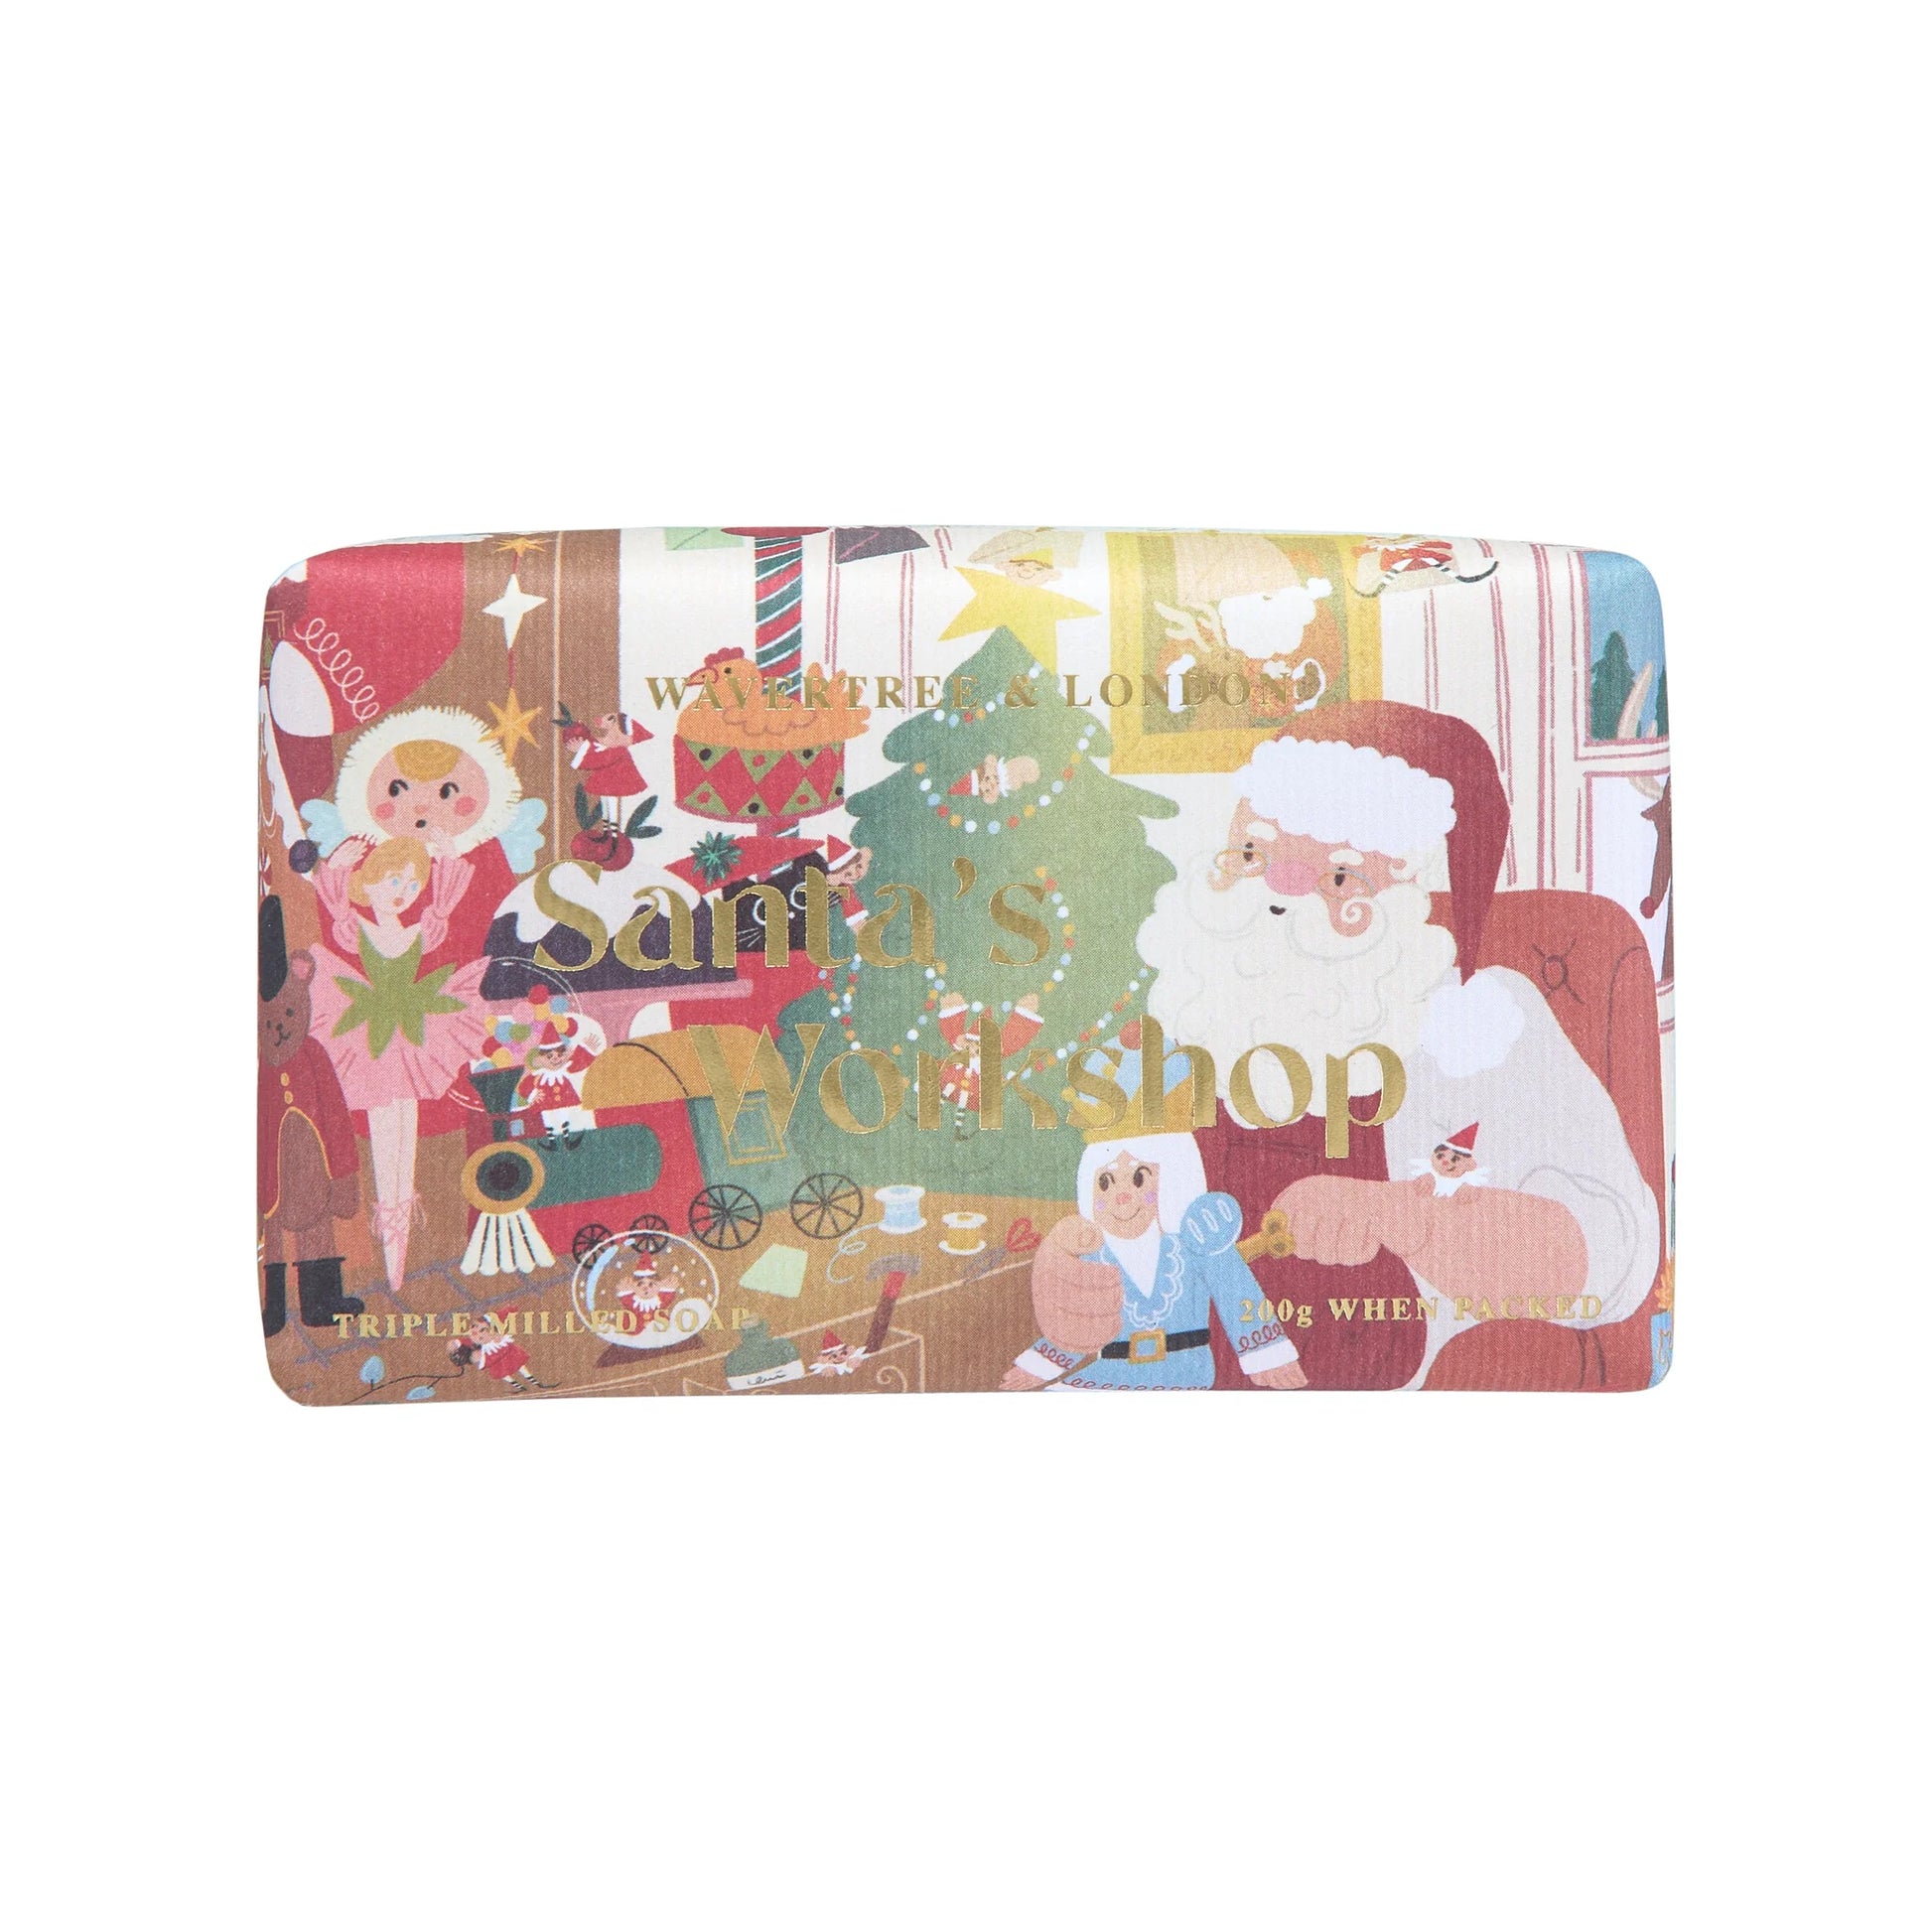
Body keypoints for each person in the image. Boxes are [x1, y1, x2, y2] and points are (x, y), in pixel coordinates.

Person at [1031, 701, 1660, 1390]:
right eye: (1253, 853)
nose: (1277, 892)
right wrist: (1074, 1279)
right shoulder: (1200, 1001)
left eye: (1337, 877)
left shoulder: (1476, 1022)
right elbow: (1119, 1206)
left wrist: (1407, 1217)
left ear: (1409, 889)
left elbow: (1616, 1255)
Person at [306, 834, 489, 1293]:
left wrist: (448, 859)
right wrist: (335, 866)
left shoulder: (417, 931)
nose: (403, 893)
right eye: (393, 881)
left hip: (414, 1022)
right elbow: (337, 909)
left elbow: (441, 910)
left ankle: (401, 1232)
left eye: (411, 885)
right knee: (384, 1124)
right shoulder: (358, 927)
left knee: (406, 1125)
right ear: (367, 883)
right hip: (368, 1026)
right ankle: (389, 1228)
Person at [1001, 1132, 1306, 1392]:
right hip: (1110, 1373)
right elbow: (1079, 1324)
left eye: (1138, 1178)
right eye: (1105, 1182)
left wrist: (1268, 1358)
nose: (1121, 1196)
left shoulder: (1195, 1244)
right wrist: (1039, 1366)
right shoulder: (1093, 1258)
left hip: (1187, 1370)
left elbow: (1236, 1292)